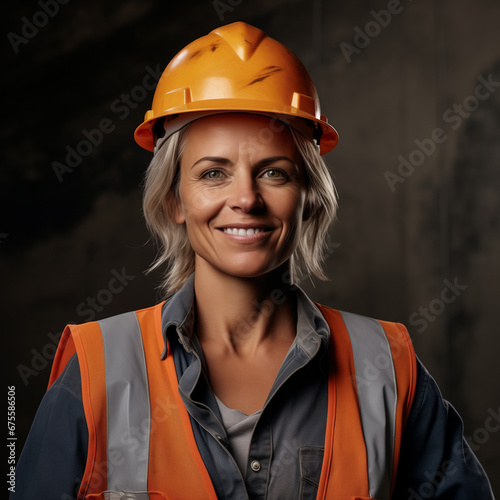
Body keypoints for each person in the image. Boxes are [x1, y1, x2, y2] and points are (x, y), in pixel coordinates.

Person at [12, 22, 493, 500]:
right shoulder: (97, 368)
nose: (246, 198)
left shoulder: (387, 366)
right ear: (173, 201)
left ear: (308, 198)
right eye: (214, 173)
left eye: (274, 173)